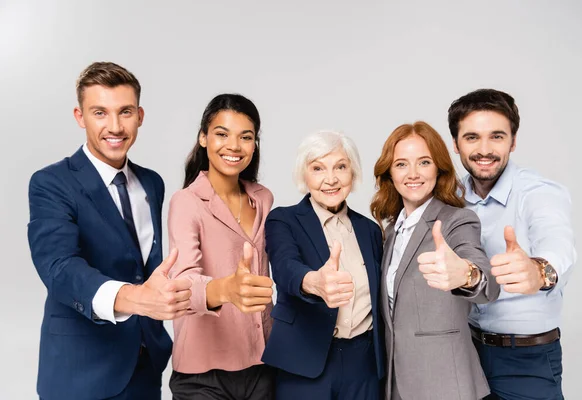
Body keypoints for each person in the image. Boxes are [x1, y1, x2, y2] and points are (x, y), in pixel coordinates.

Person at [27, 62, 192, 400]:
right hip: (81, 373)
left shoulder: (152, 183)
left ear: (140, 115)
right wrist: (136, 299)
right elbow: (59, 268)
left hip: (144, 366)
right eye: (100, 112)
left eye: (125, 112)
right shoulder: (52, 183)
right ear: (80, 116)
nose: (115, 126)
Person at [448, 89, 576, 400]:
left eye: (497, 136)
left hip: (526, 360)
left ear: (513, 141)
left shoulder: (539, 192)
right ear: (456, 144)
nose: (484, 149)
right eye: (472, 138)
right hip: (465, 354)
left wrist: (539, 271)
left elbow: (558, 243)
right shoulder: (451, 197)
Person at [370, 121, 500, 400]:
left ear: (438, 169)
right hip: (398, 385)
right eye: (401, 164)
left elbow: (487, 283)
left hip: (446, 385)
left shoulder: (456, 221)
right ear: (389, 173)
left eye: (424, 162)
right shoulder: (393, 231)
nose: (413, 174)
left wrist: (467, 275)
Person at [167, 94, 275, 400]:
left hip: (261, 364)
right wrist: (227, 289)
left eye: (246, 137)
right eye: (222, 134)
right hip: (204, 374)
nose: (234, 146)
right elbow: (182, 282)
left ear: (255, 144)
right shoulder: (186, 202)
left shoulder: (263, 199)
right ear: (203, 138)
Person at [262, 131, 385, 400]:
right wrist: (313, 282)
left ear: (352, 173)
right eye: (318, 168)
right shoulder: (283, 220)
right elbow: (285, 267)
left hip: (363, 364)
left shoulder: (370, 231)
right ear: (304, 176)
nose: (331, 179)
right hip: (304, 361)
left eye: (340, 167)